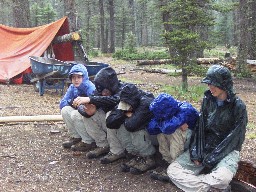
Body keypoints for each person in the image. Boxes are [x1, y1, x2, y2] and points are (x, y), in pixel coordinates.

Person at [167, 65, 248, 192]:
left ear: (224, 84)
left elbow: (235, 137)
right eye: (209, 83)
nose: (210, 87)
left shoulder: (238, 106)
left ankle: (202, 184)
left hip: (227, 149)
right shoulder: (208, 100)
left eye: (214, 83)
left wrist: (213, 158)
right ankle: (212, 188)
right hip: (206, 145)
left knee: (223, 178)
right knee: (173, 170)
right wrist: (196, 153)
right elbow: (200, 128)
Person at [73, 67, 126, 159]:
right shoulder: (99, 90)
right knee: (89, 115)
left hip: (123, 127)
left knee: (111, 116)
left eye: (106, 89)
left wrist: (90, 99)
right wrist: (87, 110)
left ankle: (117, 151)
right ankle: (103, 145)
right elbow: (87, 104)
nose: (103, 92)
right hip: (107, 124)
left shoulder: (124, 89)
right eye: (102, 89)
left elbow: (115, 100)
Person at [103, 83, 157, 175]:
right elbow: (110, 122)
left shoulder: (145, 101)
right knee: (119, 124)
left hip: (154, 136)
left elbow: (132, 125)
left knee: (135, 129)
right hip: (137, 132)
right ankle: (136, 155)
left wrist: (126, 115)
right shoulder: (123, 101)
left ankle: (148, 158)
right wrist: (123, 113)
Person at [147, 93, 199, 182]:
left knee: (175, 130)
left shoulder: (185, 108)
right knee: (161, 132)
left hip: (194, 140)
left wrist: (164, 122)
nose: (159, 115)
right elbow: (151, 128)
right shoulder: (166, 113)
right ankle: (167, 163)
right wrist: (165, 122)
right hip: (181, 136)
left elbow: (169, 127)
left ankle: (176, 166)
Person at [60, 64, 96, 150]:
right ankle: (76, 137)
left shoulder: (90, 88)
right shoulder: (73, 87)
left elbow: (96, 107)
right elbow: (62, 103)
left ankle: (88, 141)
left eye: (79, 77)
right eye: (73, 77)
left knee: (75, 114)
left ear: (84, 77)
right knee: (65, 110)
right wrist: (72, 102)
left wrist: (83, 103)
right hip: (80, 112)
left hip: (92, 118)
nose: (76, 80)